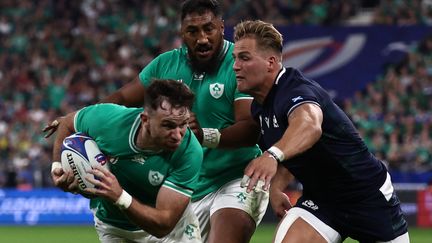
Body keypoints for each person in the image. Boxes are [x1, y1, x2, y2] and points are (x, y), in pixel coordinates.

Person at [44, 1, 268, 242]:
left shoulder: (236, 64)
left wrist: (205, 136)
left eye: (209, 29)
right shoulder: (167, 64)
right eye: (193, 31)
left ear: (222, 27)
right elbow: (121, 98)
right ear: (182, 33)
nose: (202, 38)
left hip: (236, 177)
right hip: (191, 184)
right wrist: (82, 116)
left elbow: (250, 129)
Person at [232, 20, 410, 243]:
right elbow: (292, 150)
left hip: (367, 197)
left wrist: (272, 155)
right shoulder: (260, 106)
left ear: (271, 62)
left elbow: (309, 126)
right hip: (322, 202)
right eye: (235, 58)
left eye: (244, 58)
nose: (235, 66)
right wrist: (276, 187)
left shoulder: (296, 90)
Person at [51, 79, 203, 242]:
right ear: (145, 120)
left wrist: (119, 196)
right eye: (168, 126)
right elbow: (67, 123)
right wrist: (57, 167)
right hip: (114, 228)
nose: (178, 135)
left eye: (183, 124)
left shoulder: (189, 151)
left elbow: (163, 225)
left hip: (172, 232)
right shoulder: (108, 120)